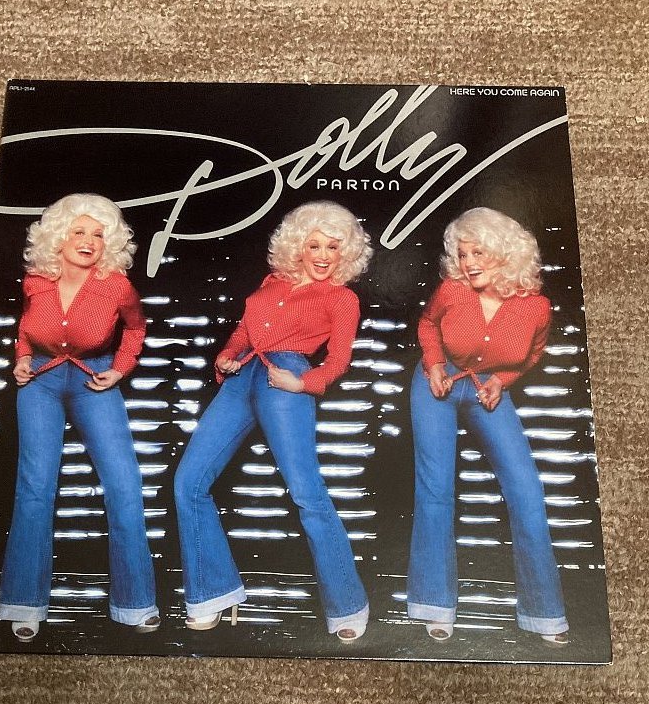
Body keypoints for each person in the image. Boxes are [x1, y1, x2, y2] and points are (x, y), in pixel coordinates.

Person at [174, 201, 373, 642]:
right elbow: (246, 332)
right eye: (314, 245)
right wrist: (227, 356)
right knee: (188, 483)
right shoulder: (270, 283)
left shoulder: (342, 298)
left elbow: (339, 360)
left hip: (285, 376)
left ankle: (347, 605)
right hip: (242, 376)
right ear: (297, 246)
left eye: (334, 247)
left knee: (306, 492)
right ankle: (212, 593)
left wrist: (303, 383)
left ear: (346, 253)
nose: (323, 255)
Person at [0, 193, 158, 641]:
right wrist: (22, 358)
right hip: (41, 383)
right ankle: (25, 603)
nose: (88, 241)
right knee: (35, 487)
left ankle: (135, 603)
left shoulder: (117, 287)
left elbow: (136, 328)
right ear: (59, 236)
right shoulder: (36, 281)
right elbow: (26, 326)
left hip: (93, 382)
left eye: (98, 235)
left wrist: (120, 368)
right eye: (79, 231)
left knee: (124, 485)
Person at [407, 207, 569, 647]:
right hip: (438, 383)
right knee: (436, 489)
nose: (468, 263)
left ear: (504, 252)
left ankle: (543, 612)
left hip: (486, 389)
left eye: (478, 252)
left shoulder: (535, 308)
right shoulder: (452, 290)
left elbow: (532, 355)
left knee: (527, 492)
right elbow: (428, 324)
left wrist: (502, 380)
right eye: (462, 254)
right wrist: (434, 365)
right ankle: (434, 604)